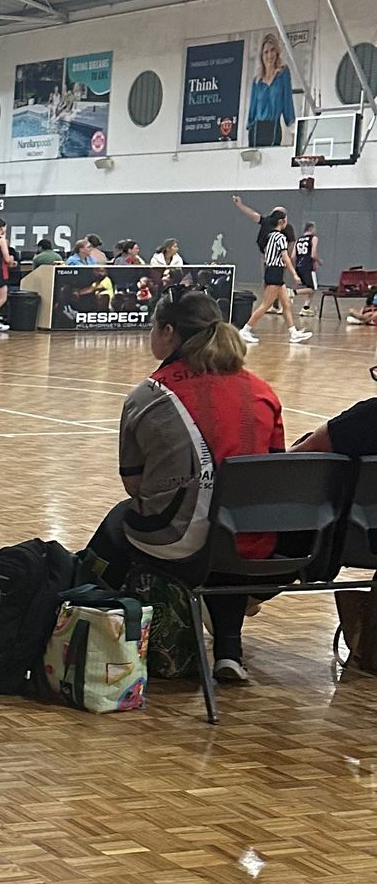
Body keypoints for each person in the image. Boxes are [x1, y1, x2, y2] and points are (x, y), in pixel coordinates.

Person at [85, 289, 283, 686]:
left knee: (121, 521)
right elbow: (272, 470)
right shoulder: (263, 391)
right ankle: (228, 652)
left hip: (178, 542)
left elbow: (134, 485)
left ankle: (86, 622)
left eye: (153, 327)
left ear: (168, 332)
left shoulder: (148, 394)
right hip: (255, 543)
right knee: (225, 528)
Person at [239, 205, 312, 346]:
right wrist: (294, 274)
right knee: (266, 305)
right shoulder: (280, 237)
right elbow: (285, 257)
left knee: (286, 304)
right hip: (275, 272)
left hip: (271, 271)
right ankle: (245, 330)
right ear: (281, 222)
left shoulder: (270, 236)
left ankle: (293, 333)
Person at [246, 32, 296, 151]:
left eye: (272, 50)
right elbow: (252, 112)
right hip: (257, 129)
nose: (270, 55)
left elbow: (287, 101)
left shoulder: (283, 74)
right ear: (261, 55)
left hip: (273, 127)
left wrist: (293, 129)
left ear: (277, 52)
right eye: (266, 52)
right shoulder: (257, 81)